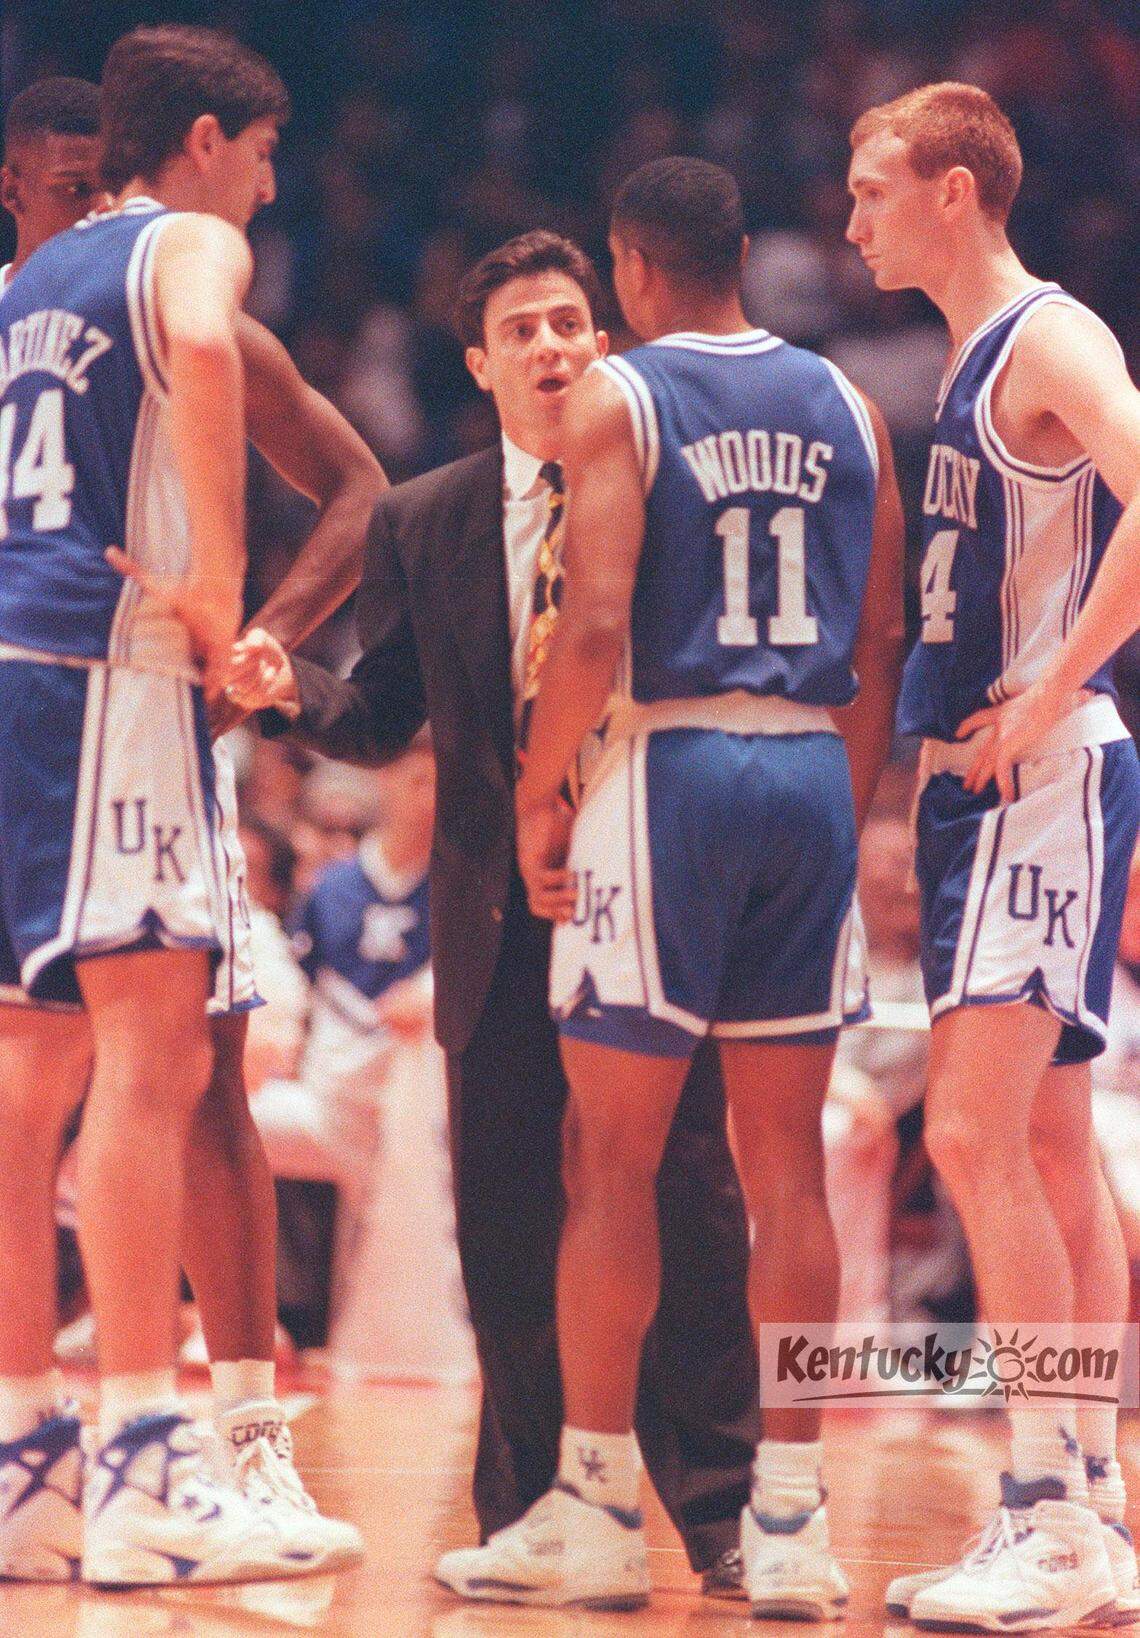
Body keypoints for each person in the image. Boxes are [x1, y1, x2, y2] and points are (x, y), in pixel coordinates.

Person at [226, 229, 763, 1595]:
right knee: (511, 1215)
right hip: (492, 900)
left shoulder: (677, 485)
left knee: (688, 1198)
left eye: (570, 321)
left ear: (606, 342)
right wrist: (292, 686)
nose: (549, 345)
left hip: (649, 872)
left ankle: (722, 1506)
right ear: (478, 363)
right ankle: (534, 1510)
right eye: (519, 327)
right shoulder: (425, 517)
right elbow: (385, 707)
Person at [432, 156, 904, 1614]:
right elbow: (879, 636)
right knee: (787, 1172)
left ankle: (587, 1502)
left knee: (610, 1158)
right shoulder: (851, 403)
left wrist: (535, 795)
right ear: (746, 253)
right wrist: (844, 787)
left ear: (631, 270)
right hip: (809, 776)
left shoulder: (619, 398)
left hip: (672, 767)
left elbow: (596, 620)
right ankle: (793, 1519)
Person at [0, 52, 387, 1577]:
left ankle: (35, 1471)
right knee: (155, 1070)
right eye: (266, 155)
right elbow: (205, 348)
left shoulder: (27, 292)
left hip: (26, 679)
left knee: (38, 1080)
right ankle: (148, 1472)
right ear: (211, 139)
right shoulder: (182, 241)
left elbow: (345, 480)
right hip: (115, 672)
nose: (272, 190)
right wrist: (222, 590)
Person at [846, 81, 1140, 1630]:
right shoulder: (974, 358)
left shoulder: (1049, 337)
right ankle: (1085, 1500)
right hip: (999, 793)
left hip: (1048, 777)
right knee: (1042, 1146)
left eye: (874, 186)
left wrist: (1064, 677)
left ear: (956, 190)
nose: (853, 217)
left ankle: (1043, 1499)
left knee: (968, 1134)